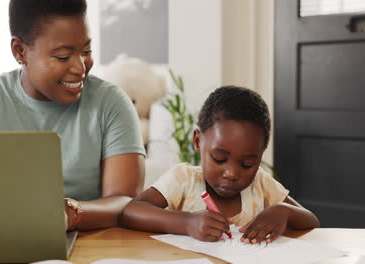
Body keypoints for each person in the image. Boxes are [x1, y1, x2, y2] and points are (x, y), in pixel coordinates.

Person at [0, 0, 146, 231]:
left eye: (86, 51)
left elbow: (125, 201)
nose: (80, 67)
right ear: (19, 50)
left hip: (86, 244)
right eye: (62, 56)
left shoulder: (110, 102)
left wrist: (67, 214)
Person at [120, 86, 320, 243]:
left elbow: (312, 221)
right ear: (198, 141)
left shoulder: (261, 184)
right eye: (219, 159)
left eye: (248, 163)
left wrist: (283, 211)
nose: (232, 173)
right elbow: (131, 211)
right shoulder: (184, 179)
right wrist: (187, 223)